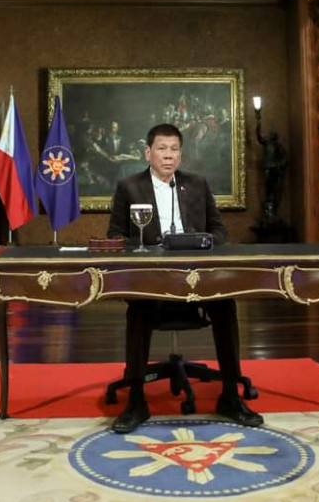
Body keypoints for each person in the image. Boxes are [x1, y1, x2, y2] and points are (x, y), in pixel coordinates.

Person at [106, 123, 264, 434]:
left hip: (197, 278)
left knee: (225, 303)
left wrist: (199, 241)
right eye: (162, 149)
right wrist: (146, 248)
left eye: (174, 149)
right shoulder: (129, 187)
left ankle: (230, 395)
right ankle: (136, 400)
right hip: (151, 279)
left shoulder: (197, 184)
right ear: (148, 153)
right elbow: (116, 236)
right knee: (138, 308)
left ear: (180, 154)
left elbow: (220, 231)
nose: (168, 155)